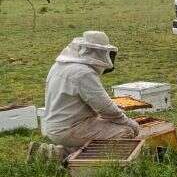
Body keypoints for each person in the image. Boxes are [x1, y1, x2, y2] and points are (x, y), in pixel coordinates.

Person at [28, 31, 139, 162]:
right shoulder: (83, 73)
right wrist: (129, 123)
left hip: (54, 125)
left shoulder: (59, 66)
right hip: (70, 127)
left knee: (101, 128)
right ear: (99, 52)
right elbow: (105, 108)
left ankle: (51, 153)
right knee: (124, 132)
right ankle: (79, 164)